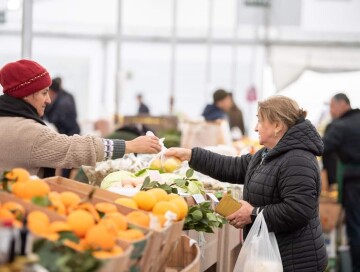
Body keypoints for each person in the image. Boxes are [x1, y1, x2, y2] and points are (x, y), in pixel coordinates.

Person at [167, 95, 328, 271]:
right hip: (274, 257)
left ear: (277, 126)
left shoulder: (298, 159)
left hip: (295, 262)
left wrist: (252, 213)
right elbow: (232, 166)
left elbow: (298, 210)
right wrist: (191, 155)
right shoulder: (266, 154)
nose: (255, 127)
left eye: (260, 121)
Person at [0, 59, 162, 178]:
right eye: (44, 93)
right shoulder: (28, 132)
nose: (48, 100)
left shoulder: (7, 119)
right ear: (26, 95)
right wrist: (129, 145)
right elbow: (73, 149)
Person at [322, 93, 360, 271]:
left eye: (332, 106)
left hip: (354, 182)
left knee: (355, 225)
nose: (331, 111)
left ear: (343, 104)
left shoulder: (339, 126)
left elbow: (321, 147)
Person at [43, 77, 81, 178]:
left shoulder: (63, 104)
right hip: (72, 133)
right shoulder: (66, 96)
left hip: (68, 135)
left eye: (46, 92)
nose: (46, 97)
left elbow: (55, 120)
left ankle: (62, 183)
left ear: (51, 91)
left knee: (64, 168)